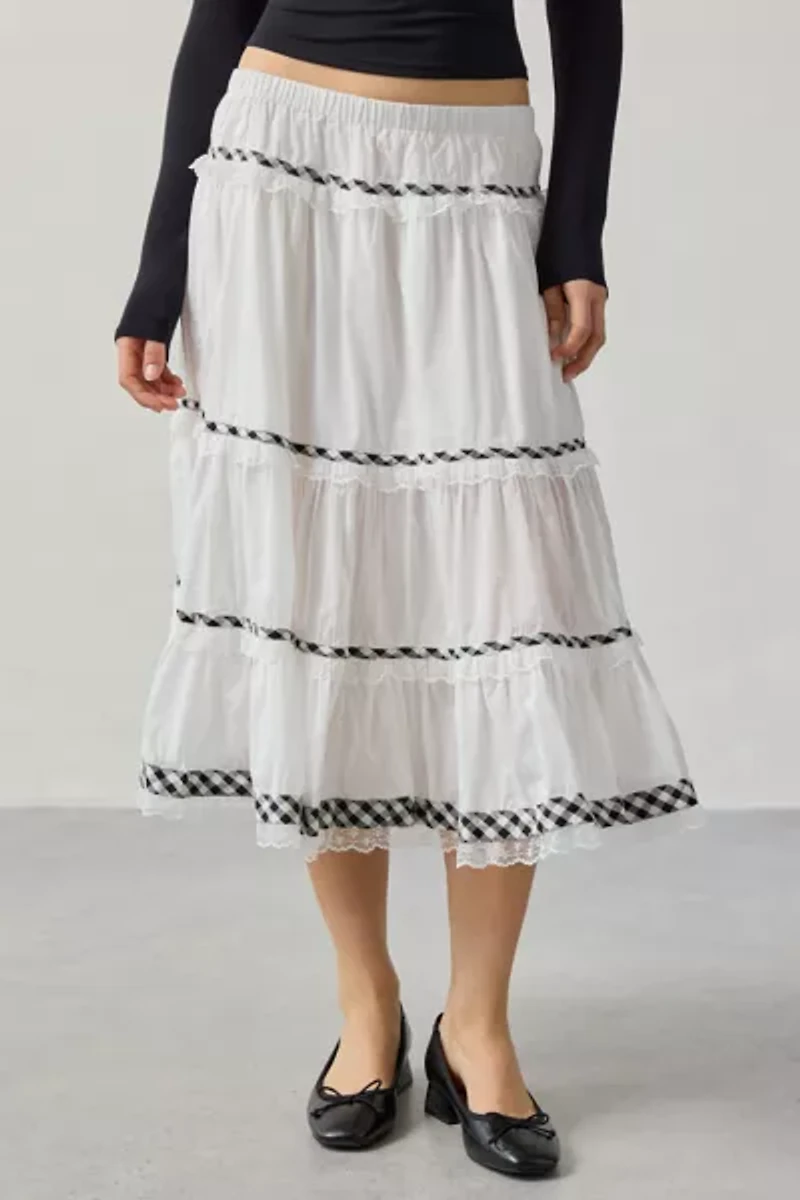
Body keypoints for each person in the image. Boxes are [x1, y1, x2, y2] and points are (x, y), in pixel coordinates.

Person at [115, 0, 699, 1179]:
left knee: (502, 604)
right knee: (315, 597)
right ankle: (365, 1005)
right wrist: (157, 272)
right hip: (277, 169)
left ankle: (475, 1026)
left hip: (472, 167)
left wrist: (574, 235)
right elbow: (222, 11)